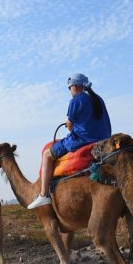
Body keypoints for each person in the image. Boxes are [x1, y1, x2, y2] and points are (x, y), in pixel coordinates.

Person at [28, 73, 112, 210]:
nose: (70, 91)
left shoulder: (76, 100)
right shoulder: (99, 99)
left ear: (74, 86)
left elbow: (71, 125)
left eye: (69, 88)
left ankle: (44, 195)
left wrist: (69, 125)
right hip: (104, 138)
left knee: (47, 155)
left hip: (82, 140)